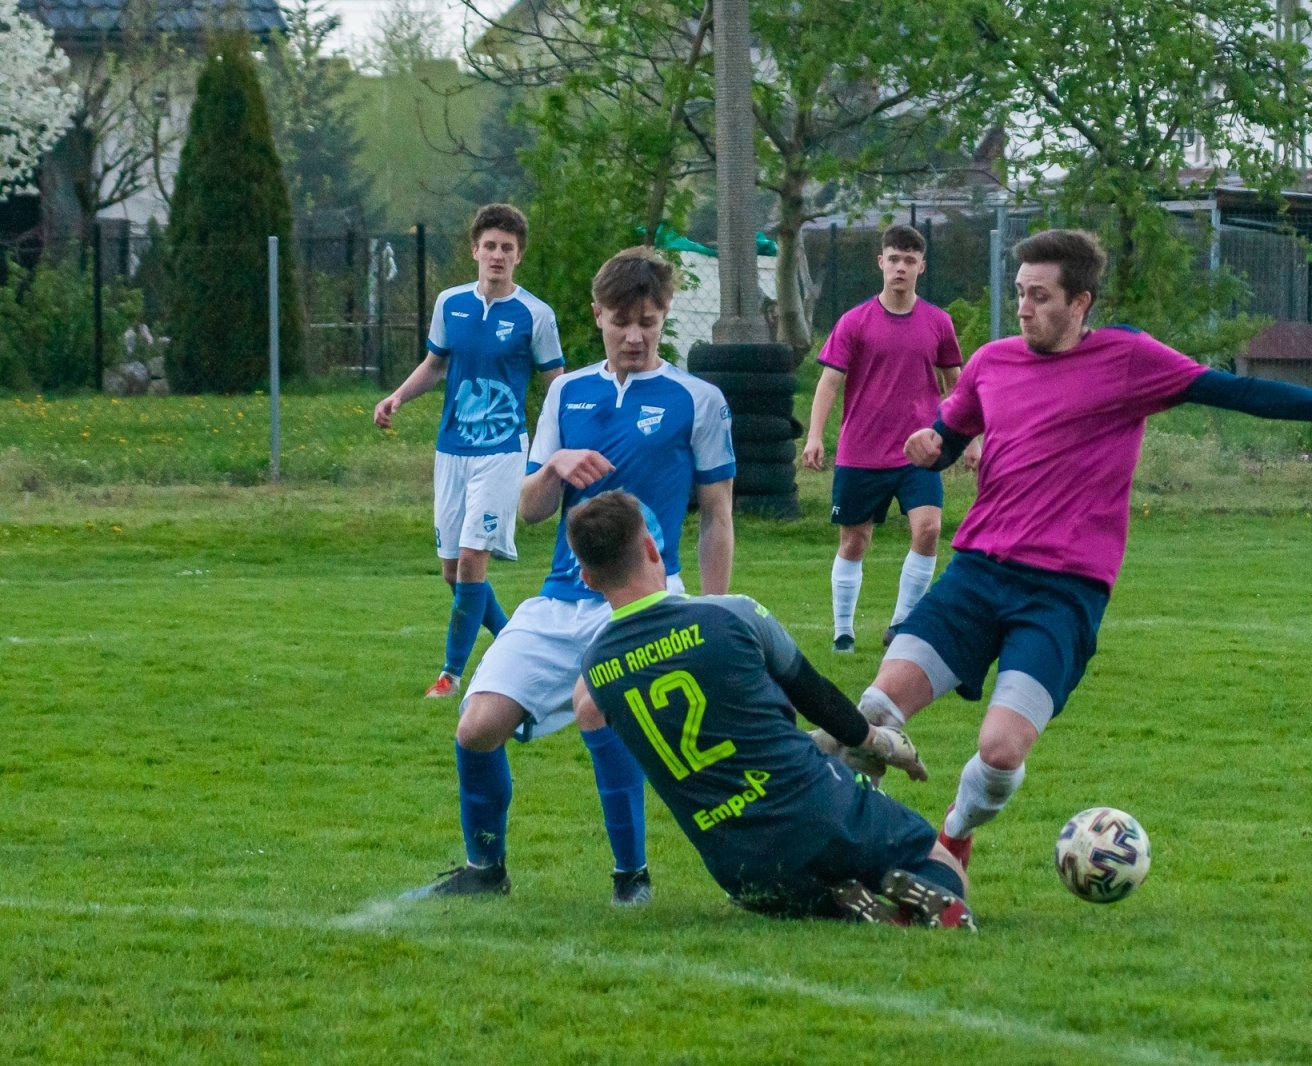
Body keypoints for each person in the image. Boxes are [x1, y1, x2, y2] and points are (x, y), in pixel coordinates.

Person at [854, 229, 1312, 870]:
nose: (1023, 308)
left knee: (999, 753)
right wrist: (933, 442)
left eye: (1039, 296)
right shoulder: (993, 362)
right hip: (977, 574)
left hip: (1062, 592)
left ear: (1080, 302)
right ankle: (839, 843)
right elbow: (953, 429)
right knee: (873, 712)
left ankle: (953, 840)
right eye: (1020, 294)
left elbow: (1237, 392)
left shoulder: (1129, 359)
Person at [404, 247, 736, 906]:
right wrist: (553, 465)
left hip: (643, 600)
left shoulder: (697, 401)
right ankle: (485, 870)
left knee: (595, 705)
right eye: (621, 321)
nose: (635, 336)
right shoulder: (566, 392)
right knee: (476, 727)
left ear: (665, 315)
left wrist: (711, 614)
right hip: (559, 598)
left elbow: (717, 516)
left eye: (648, 320)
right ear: (597, 316)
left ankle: (630, 877)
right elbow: (529, 513)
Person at [567, 490, 974, 928]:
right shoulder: (732, 614)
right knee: (947, 872)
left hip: (736, 865)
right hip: (817, 810)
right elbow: (815, 696)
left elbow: (717, 741)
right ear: (651, 548)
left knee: (787, 887)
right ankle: (904, 900)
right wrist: (878, 742)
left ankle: (837, 904)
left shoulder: (596, 670)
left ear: (588, 579)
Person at [373, 204, 566, 699]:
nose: (497, 255)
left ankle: (451, 675)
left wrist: (557, 446)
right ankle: (516, 646)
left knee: (472, 557)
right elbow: (435, 365)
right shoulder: (450, 303)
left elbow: (555, 387)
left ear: (518, 256)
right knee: (452, 571)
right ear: (474, 250)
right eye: (490, 246)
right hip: (452, 448)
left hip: (502, 451)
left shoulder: (535, 315)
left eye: (507, 247)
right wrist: (397, 395)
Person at [803, 224, 968, 655]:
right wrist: (815, 436)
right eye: (894, 259)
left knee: (929, 529)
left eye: (909, 261)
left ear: (921, 268)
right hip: (861, 452)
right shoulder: (854, 322)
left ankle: (902, 624)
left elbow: (958, 385)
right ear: (881, 263)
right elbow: (828, 383)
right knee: (854, 541)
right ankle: (843, 632)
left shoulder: (938, 322)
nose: (900, 268)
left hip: (921, 452)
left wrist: (970, 438)